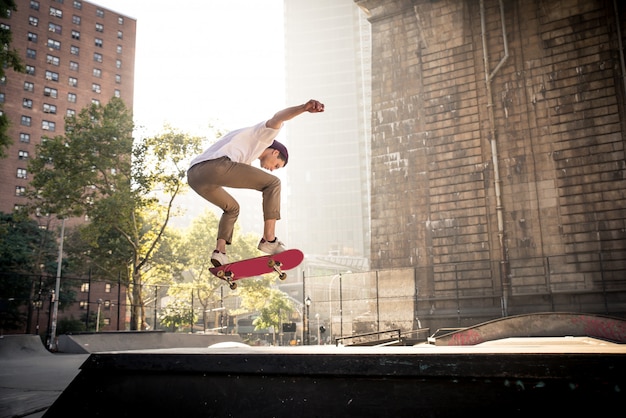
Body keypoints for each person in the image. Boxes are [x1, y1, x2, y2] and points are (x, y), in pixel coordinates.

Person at [187, 99, 325, 267]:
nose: (273, 169)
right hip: (216, 167)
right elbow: (279, 117)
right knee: (273, 183)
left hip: (195, 176)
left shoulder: (246, 150)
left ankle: (220, 252)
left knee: (232, 208)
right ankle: (269, 240)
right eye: (277, 165)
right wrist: (303, 108)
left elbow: (242, 171)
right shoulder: (264, 136)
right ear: (275, 152)